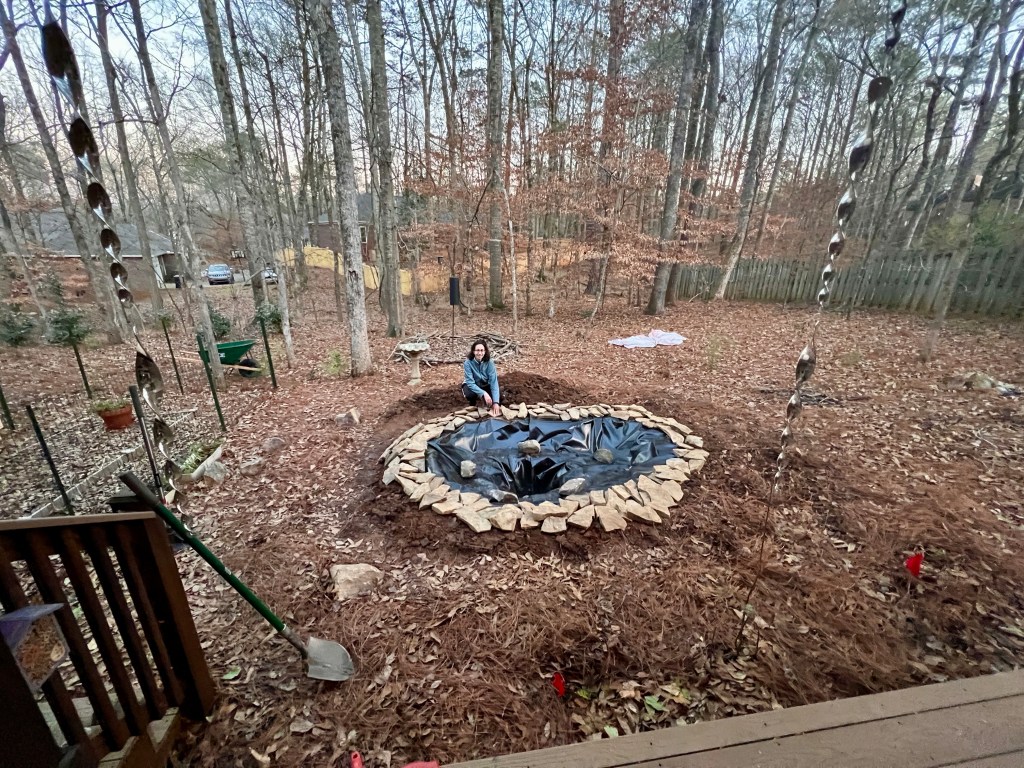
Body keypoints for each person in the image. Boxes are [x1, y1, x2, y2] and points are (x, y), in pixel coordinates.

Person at [462, 339, 501, 416]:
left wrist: (496, 402)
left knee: (498, 398)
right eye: (477, 350)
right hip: (471, 384)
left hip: (484, 384)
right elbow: (470, 382)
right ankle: (472, 404)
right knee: (470, 395)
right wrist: (483, 393)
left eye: (482, 350)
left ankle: (487, 401)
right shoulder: (468, 363)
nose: (479, 353)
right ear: (473, 351)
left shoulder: (490, 362)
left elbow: (493, 382)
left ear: (485, 351)